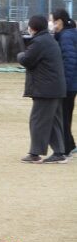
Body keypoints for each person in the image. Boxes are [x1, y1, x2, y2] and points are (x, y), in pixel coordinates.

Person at [17, 14, 68, 164]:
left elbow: (27, 60)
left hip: (45, 89)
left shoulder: (39, 42)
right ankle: (59, 153)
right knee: (53, 121)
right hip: (56, 87)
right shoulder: (49, 40)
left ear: (33, 28)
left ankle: (35, 153)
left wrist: (20, 54)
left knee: (37, 121)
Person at [50, 8, 76, 156]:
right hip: (71, 83)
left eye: (54, 21)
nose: (53, 24)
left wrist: (64, 84)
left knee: (63, 116)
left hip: (68, 84)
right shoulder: (68, 34)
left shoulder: (66, 36)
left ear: (60, 21)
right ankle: (70, 144)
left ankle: (66, 147)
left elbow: (70, 61)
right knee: (66, 115)